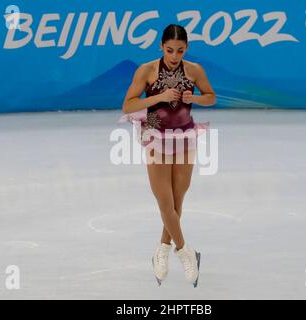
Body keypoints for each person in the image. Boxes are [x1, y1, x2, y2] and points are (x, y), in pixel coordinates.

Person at [118, 24, 216, 287]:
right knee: (164, 200)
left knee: (177, 199)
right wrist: (159, 96)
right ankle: (185, 251)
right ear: (161, 47)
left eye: (180, 51)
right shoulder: (147, 70)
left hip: (184, 134)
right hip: (154, 131)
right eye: (170, 50)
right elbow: (128, 104)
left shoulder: (194, 70)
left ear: (187, 48)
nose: (174, 56)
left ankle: (162, 248)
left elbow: (211, 97)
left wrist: (193, 98)